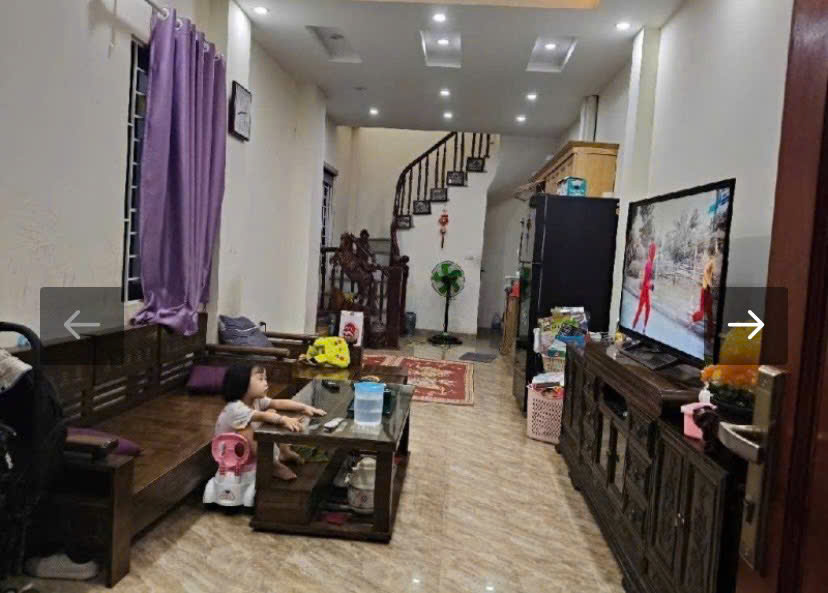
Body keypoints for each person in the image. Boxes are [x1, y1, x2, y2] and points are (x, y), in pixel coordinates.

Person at [215, 365, 326, 481]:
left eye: (265, 379)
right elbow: (264, 416)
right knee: (248, 429)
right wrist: (284, 419)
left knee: (273, 412)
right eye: (260, 379)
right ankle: (272, 465)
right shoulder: (234, 408)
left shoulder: (256, 400)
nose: (266, 383)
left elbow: (278, 403)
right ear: (242, 384)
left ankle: (284, 452)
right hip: (232, 455)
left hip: (248, 451)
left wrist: (304, 407)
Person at [691, 243, 717, 336]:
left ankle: (693, 322)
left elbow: (706, 273)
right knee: (707, 311)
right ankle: (709, 331)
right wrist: (711, 284)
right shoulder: (712, 262)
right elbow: (706, 273)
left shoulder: (711, 261)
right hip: (707, 289)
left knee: (706, 311)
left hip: (705, 288)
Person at [633, 242, 657, 332]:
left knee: (644, 309)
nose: (653, 253)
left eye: (654, 251)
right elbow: (645, 280)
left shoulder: (650, 264)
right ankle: (637, 326)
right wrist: (650, 285)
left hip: (646, 290)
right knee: (643, 309)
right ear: (650, 252)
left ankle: (639, 326)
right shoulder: (648, 264)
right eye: (652, 251)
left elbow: (646, 279)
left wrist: (649, 285)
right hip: (645, 291)